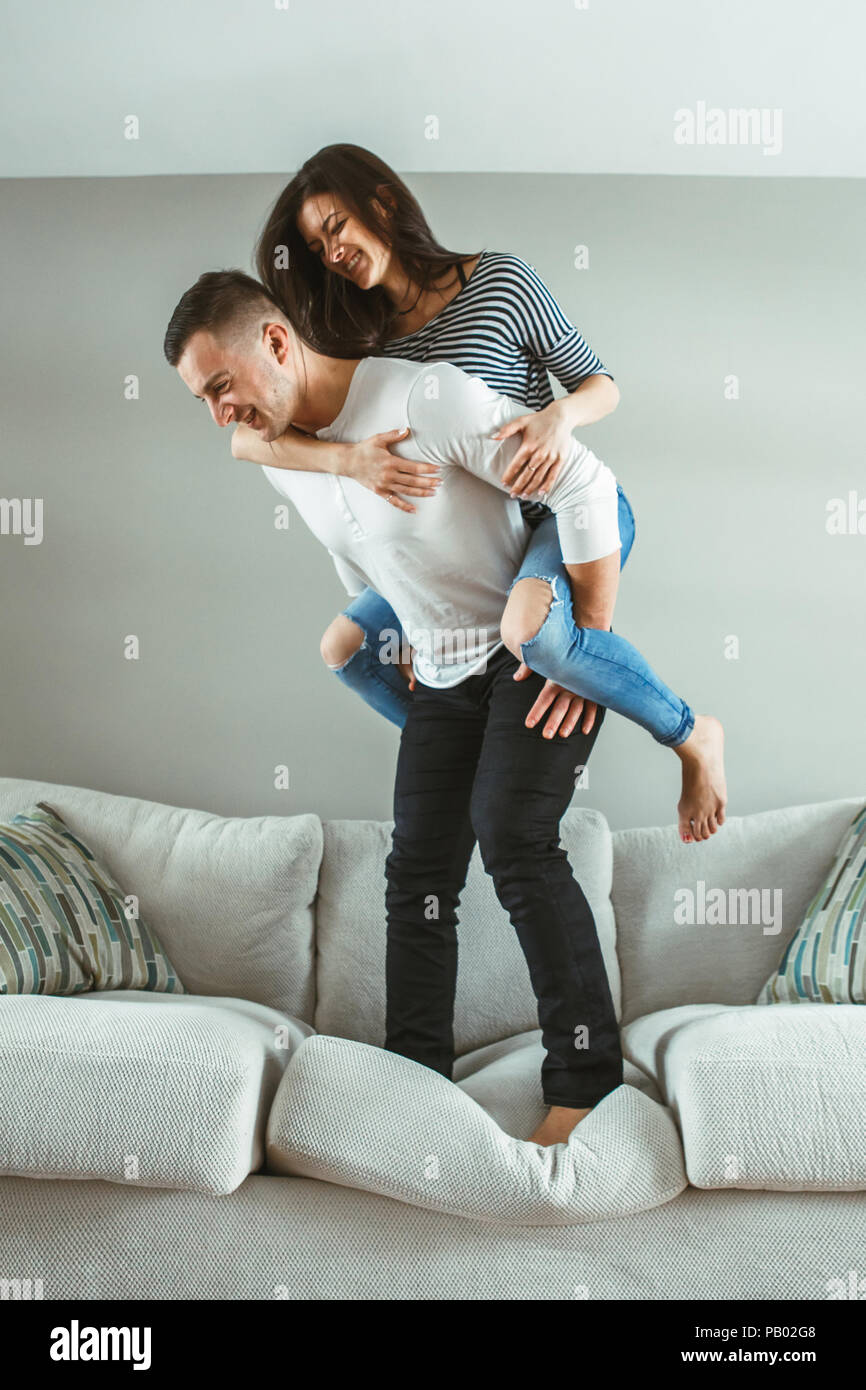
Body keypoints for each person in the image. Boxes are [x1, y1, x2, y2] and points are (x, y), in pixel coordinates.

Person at [165, 269, 643, 1144]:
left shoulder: (423, 396)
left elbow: (584, 485)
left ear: (276, 342)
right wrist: (404, 643)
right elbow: (359, 558)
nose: (217, 414)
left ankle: (587, 1086)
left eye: (220, 386)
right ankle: (416, 1079)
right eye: (203, 398)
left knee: (514, 840)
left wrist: (587, 652)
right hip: (443, 672)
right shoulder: (285, 460)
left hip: (530, 646)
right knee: (416, 873)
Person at [233, 143, 725, 843]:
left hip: (557, 513)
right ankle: (483, 759)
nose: (331, 252)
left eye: (336, 226)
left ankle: (691, 735)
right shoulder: (364, 344)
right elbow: (245, 440)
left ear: (383, 202)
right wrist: (348, 464)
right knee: (347, 644)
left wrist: (561, 416)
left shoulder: (500, 281)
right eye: (316, 246)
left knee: (530, 630)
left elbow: (600, 382)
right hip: (474, 541)